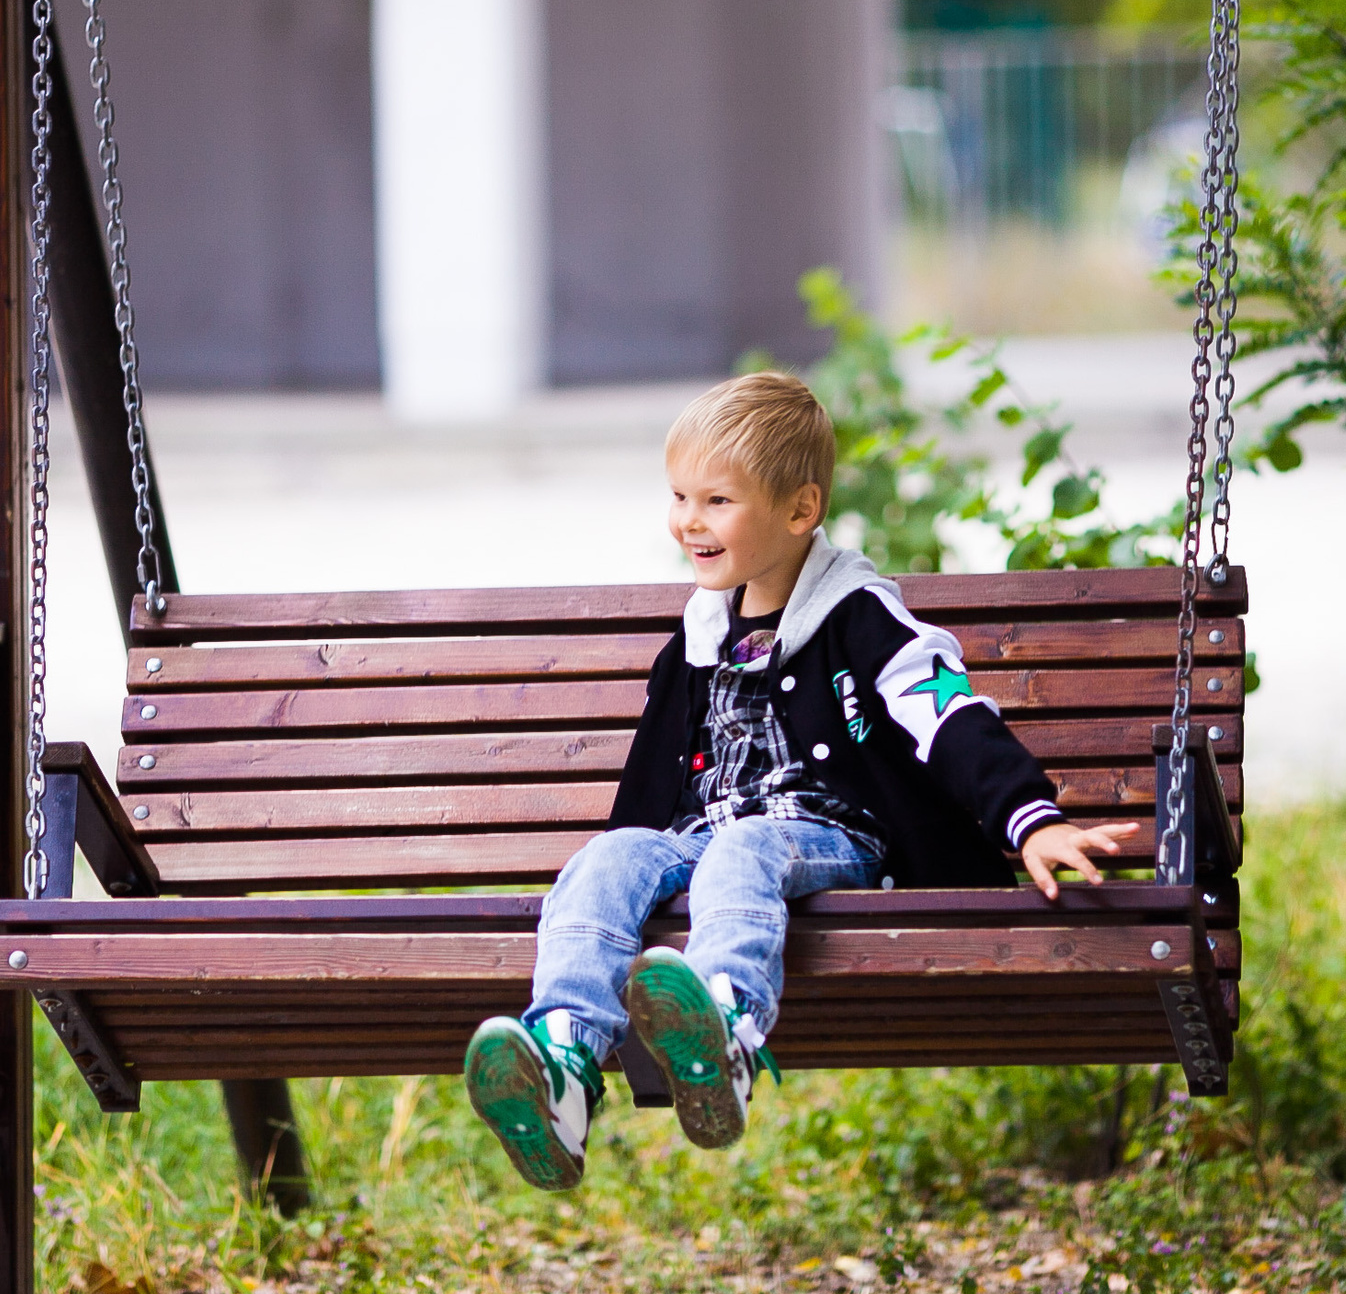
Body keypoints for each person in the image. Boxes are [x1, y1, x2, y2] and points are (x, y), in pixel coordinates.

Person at [461, 372, 1139, 1190]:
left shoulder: (860, 615)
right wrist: (629, 867)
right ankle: (565, 1062)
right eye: (680, 496)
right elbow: (651, 788)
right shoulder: (700, 634)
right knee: (607, 858)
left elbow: (948, 713)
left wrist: (1030, 818)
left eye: (717, 501)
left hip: (832, 837)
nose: (688, 521)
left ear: (799, 510)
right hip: (710, 840)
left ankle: (728, 1031)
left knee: (745, 845)